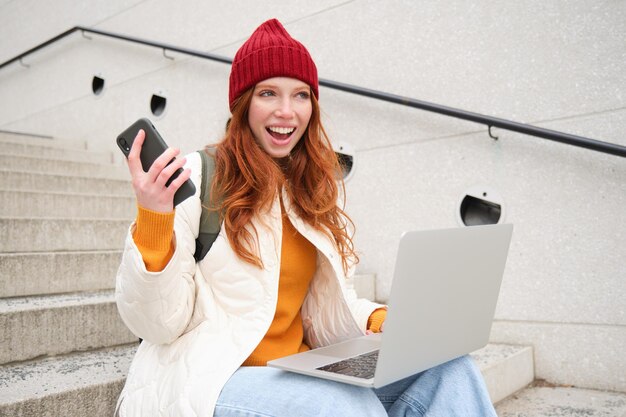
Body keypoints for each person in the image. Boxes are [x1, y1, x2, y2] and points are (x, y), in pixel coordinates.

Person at [115, 18, 497, 417]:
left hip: (296, 371)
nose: (286, 111)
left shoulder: (308, 190)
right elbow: (156, 325)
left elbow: (326, 306)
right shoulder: (198, 174)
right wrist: (154, 222)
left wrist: (380, 319)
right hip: (212, 378)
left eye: (300, 95)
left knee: (449, 371)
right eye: (268, 93)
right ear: (243, 104)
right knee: (336, 404)